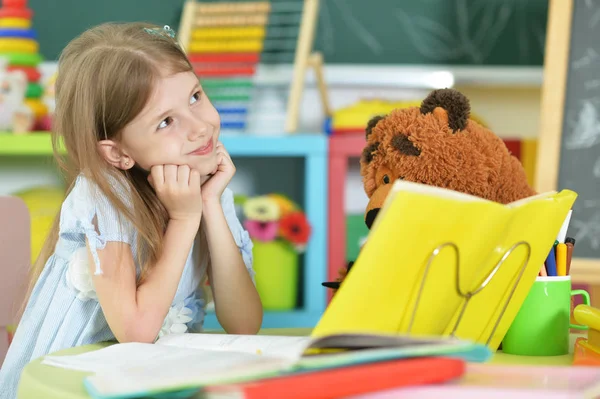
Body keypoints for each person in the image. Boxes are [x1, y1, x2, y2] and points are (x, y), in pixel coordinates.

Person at [0, 22, 262, 397]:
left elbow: (244, 323)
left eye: (195, 96)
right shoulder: (104, 195)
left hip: (151, 376)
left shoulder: (204, 178)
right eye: (166, 121)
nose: (199, 127)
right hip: (77, 381)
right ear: (118, 153)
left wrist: (209, 205)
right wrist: (185, 218)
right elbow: (137, 332)